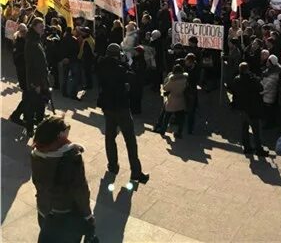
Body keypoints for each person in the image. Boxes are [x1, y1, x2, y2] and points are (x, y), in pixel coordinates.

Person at [30, 117, 94, 243]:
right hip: (66, 214)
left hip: (44, 210)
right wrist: (88, 216)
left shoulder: (36, 153)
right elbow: (80, 190)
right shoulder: (72, 157)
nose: (68, 131)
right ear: (59, 135)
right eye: (67, 129)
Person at [96, 43, 149, 183]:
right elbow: (133, 78)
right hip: (121, 107)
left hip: (107, 107)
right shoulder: (120, 68)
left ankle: (112, 166)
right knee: (130, 140)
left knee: (110, 138)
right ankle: (136, 172)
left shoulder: (101, 65)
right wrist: (125, 63)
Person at [227, 62, 267, 157]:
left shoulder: (236, 79)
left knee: (244, 128)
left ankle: (247, 147)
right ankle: (258, 149)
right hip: (252, 107)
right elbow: (260, 88)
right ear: (248, 69)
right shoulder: (252, 79)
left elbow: (231, 90)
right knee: (256, 130)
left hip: (241, 108)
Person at [24, 18, 51, 138]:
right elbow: (32, 66)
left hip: (41, 80)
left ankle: (38, 128)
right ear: (34, 27)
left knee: (39, 106)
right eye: (41, 26)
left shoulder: (37, 40)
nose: (43, 28)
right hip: (36, 83)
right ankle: (31, 129)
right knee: (34, 107)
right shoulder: (32, 43)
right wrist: (36, 84)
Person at [154, 63, 188, 139]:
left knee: (167, 116)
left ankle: (163, 130)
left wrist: (168, 78)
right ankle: (179, 132)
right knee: (180, 117)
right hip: (181, 99)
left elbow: (165, 88)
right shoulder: (185, 78)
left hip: (172, 99)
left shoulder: (172, 79)